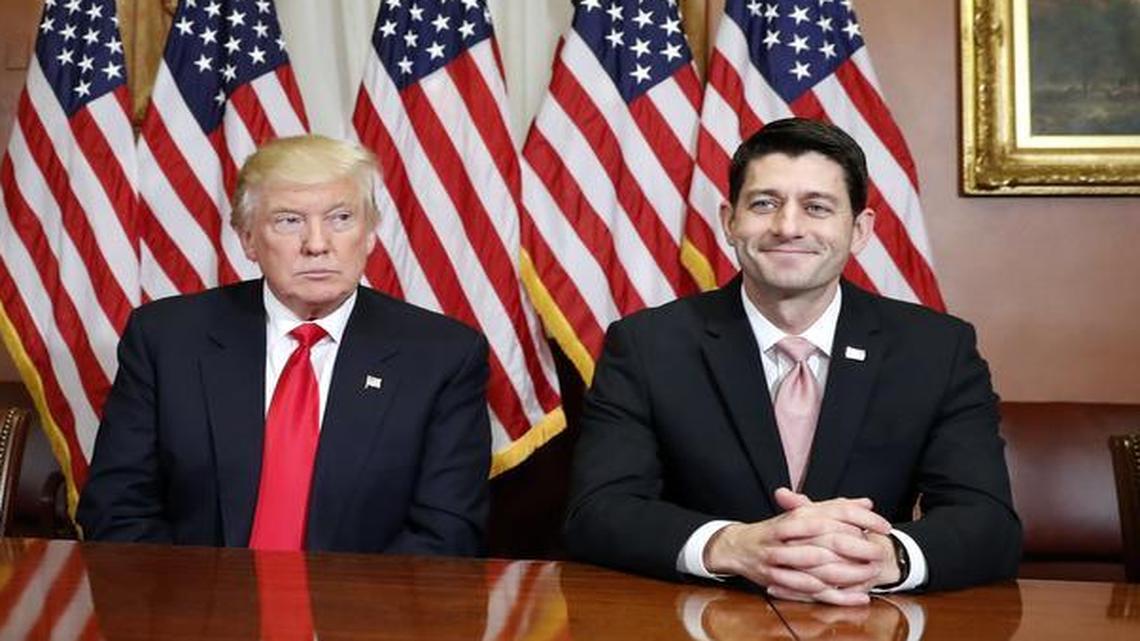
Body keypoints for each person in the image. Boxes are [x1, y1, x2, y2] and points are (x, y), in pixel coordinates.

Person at [564, 118, 1021, 605]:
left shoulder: (936, 348)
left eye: (817, 207)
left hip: (865, 619)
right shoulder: (647, 344)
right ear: (729, 221)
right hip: (703, 617)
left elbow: (989, 521)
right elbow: (598, 510)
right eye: (764, 204)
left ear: (860, 229)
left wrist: (885, 557)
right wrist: (732, 546)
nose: (788, 227)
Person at [77, 135, 491, 555]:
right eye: (289, 221)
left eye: (341, 218)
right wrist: (197, 613)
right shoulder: (167, 339)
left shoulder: (442, 356)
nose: (316, 244)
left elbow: (445, 533)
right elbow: (117, 509)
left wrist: (341, 619)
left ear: (368, 235)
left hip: (362, 614)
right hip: (195, 609)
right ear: (248, 240)